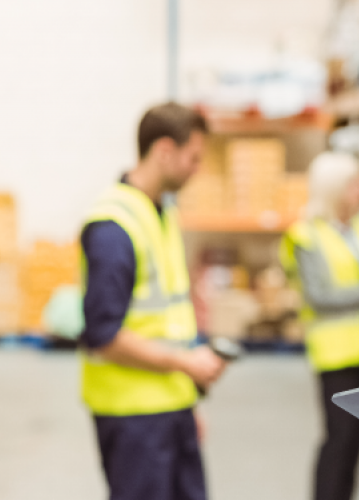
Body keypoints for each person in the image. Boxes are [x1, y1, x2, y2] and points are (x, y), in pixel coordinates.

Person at [79, 102, 226, 500]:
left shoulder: (160, 213)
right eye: (193, 158)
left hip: (171, 406)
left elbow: (171, 320)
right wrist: (187, 364)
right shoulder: (114, 226)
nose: (198, 169)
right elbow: (102, 334)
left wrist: (189, 403)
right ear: (164, 151)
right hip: (134, 419)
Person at [279, 152, 359, 500]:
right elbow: (319, 296)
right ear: (334, 190)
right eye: (355, 183)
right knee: (338, 438)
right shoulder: (306, 235)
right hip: (337, 352)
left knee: (356, 441)